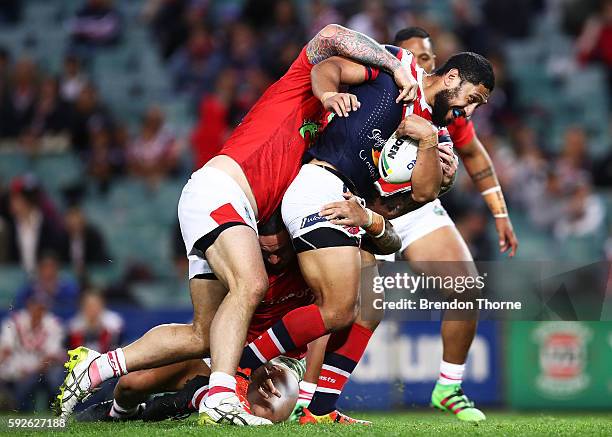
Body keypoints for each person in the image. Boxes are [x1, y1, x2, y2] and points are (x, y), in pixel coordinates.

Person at [55, 23, 419, 426]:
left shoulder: (325, 143)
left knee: (202, 333)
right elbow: (330, 37)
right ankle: (220, 397)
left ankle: (96, 368)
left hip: (229, 203)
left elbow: (384, 216)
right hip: (223, 189)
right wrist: (393, 64)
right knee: (251, 284)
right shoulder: (301, 82)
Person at [238, 47, 495, 424]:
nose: (468, 111)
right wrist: (327, 94)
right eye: (472, 99)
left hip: (355, 205)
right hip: (321, 186)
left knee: (369, 310)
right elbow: (329, 66)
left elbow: (423, 193)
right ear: (453, 77)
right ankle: (239, 369)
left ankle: (320, 410)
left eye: (478, 106)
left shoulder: (437, 134)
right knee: (338, 308)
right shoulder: (397, 70)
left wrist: (426, 142)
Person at [376, 27, 517, 422]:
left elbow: (475, 156)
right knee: (346, 305)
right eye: (416, 58)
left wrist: (500, 214)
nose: (426, 65)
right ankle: (309, 394)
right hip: (365, 205)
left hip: (416, 207)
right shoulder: (378, 87)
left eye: (429, 58)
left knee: (466, 287)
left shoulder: (449, 105)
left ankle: (449, 387)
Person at [0, 295, 65, 412]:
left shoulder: (52, 323)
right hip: (15, 367)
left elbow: (50, 357)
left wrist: (30, 371)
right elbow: (5, 350)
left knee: (52, 377)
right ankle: (10, 407)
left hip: (41, 370)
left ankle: (54, 410)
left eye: (41, 307)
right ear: (29, 305)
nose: (37, 310)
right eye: (34, 305)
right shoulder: (15, 321)